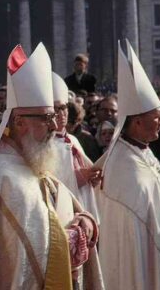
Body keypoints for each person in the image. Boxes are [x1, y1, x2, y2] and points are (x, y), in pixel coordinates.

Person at [0, 44, 102, 289]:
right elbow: (27, 257)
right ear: (20, 122)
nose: (54, 126)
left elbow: (62, 209)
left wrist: (84, 218)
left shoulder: (30, 162)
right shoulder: (3, 176)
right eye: (46, 118)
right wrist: (74, 237)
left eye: (54, 116)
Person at [95, 41, 160, 289]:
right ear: (138, 122)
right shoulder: (124, 165)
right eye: (156, 115)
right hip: (141, 266)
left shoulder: (143, 152)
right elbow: (139, 228)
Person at [51, 73, 100, 221]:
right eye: (56, 109)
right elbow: (48, 183)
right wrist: (78, 177)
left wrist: (93, 177)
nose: (61, 113)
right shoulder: (43, 146)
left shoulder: (73, 139)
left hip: (85, 201)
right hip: (64, 213)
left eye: (64, 107)